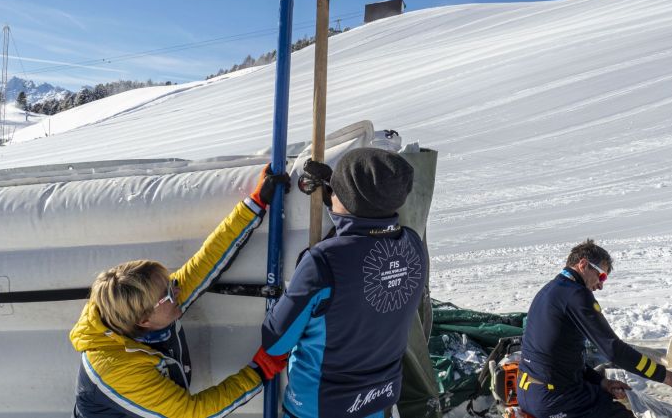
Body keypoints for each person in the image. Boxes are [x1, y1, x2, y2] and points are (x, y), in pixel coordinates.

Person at [69, 165, 290, 418]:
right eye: (168, 294)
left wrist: (255, 204)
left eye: (170, 285)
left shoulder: (148, 307)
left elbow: (204, 263)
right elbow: (192, 413)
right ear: (144, 320)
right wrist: (258, 371)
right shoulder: (117, 369)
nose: (176, 291)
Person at [256, 148, 427, 418]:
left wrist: (301, 277)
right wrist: (334, 197)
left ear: (348, 199)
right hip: (379, 402)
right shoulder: (413, 246)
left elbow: (276, 341)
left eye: (337, 189)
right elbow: (366, 247)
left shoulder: (322, 263)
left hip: (319, 408)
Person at [518, 239, 672, 418]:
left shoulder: (549, 291)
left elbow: (561, 357)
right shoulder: (577, 295)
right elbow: (614, 350)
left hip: (530, 392)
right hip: (556, 398)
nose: (600, 285)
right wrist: (670, 378)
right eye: (601, 275)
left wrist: (601, 382)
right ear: (583, 265)